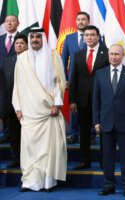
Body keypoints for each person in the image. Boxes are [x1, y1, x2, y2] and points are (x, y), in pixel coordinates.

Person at [12, 27, 67, 191]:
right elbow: (17, 85)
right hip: (28, 112)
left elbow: (60, 82)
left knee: (48, 148)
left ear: (43, 38)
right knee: (29, 148)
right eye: (32, 36)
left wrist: (57, 104)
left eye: (38, 36)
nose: (35, 39)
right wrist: (18, 107)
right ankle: (30, 181)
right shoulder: (22, 59)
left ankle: (48, 181)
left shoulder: (53, 56)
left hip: (49, 111)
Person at [93, 44, 125, 197]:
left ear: (122, 56)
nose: (114, 57)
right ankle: (108, 185)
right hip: (105, 123)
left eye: (117, 54)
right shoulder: (100, 74)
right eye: (111, 54)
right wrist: (96, 122)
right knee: (107, 157)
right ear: (108, 55)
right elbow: (96, 100)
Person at [69, 25, 109, 170]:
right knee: (84, 132)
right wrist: (72, 100)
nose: (89, 37)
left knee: (104, 132)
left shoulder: (107, 53)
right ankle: (85, 161)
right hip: (83, 100)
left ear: (98, 37)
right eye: (87, 35)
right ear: (84, 38)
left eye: (92, 35)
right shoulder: (78, 54)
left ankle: (105, 161)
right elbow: (73, 78)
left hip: (102, 100)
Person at [62, 11, 90, 144]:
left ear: (88, 22)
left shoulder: (94, 36)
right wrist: (64, 78)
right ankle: (74, 133)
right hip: (73, 78)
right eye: (78, 19)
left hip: (90, 78)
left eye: (83, 19)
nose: (81, 22)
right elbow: (63, 59)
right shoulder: (69, 38)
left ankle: (91, 133)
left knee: (90, 105)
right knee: (74, 106)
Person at [2, 34, 28, 168]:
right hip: (11, 106)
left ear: (27, 45)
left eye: (22, 43)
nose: (19, 45)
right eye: (16, 43)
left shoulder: (32, 61)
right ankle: (17, 159)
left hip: (29, 105)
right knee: (13, 134)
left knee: (28, 134)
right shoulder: (7, 61)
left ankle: (28, 159)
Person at [0, 15, 19, 144]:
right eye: (7, 21)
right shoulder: (0, 39)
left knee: (15, 108)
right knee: (4, 106)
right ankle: (6, 132)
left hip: (17, 78)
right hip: (1, 80)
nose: (9, 23)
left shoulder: (23, 38)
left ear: (18, 23)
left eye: (12, 21)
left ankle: (14, 134)